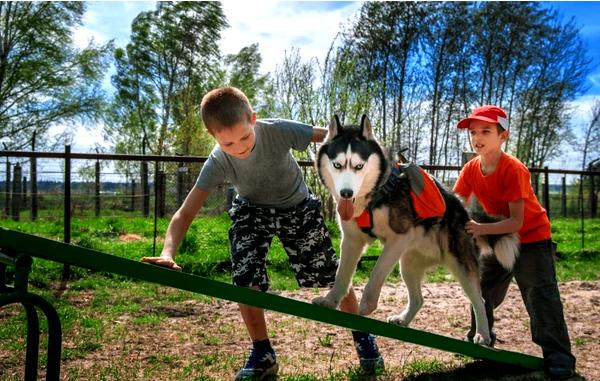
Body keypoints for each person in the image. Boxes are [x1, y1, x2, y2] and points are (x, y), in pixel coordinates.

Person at [141, 86, 384, 380]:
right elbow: (185, 213)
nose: (240, 147)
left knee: (332, 275)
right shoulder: (218, 161)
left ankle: (362, 337)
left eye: (244, 137)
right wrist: (168, 253)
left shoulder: (278, 130)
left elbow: (331, 137)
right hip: (252, 211)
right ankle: (262, 352)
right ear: (213, 136)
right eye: (228, 143)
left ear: (253, 119)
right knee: (245, 275)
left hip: (297, 207)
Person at [453, 105, 576, 380]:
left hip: (531, 239)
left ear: (503, 136)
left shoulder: (513, 169)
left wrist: (480, 228)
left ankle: (559, 357)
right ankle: (481, 337)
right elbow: (456, 203)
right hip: (497, 240)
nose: (477, 137)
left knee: (540, 296)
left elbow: (517, 222)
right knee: (480, 287)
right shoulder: (471, 168)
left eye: (486, 131)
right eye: (473, 132)